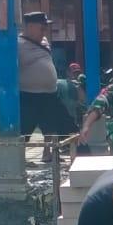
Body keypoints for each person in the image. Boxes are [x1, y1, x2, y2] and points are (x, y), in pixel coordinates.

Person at [17, 12, 78, 164]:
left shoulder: (43, 41)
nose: (45, 31)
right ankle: (19, 159)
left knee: (52, 125)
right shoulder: (17, 44)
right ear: (30, 27)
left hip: (50, 93)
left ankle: (48, 153)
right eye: (42, 28)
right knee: (25, 127)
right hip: (29, 94)